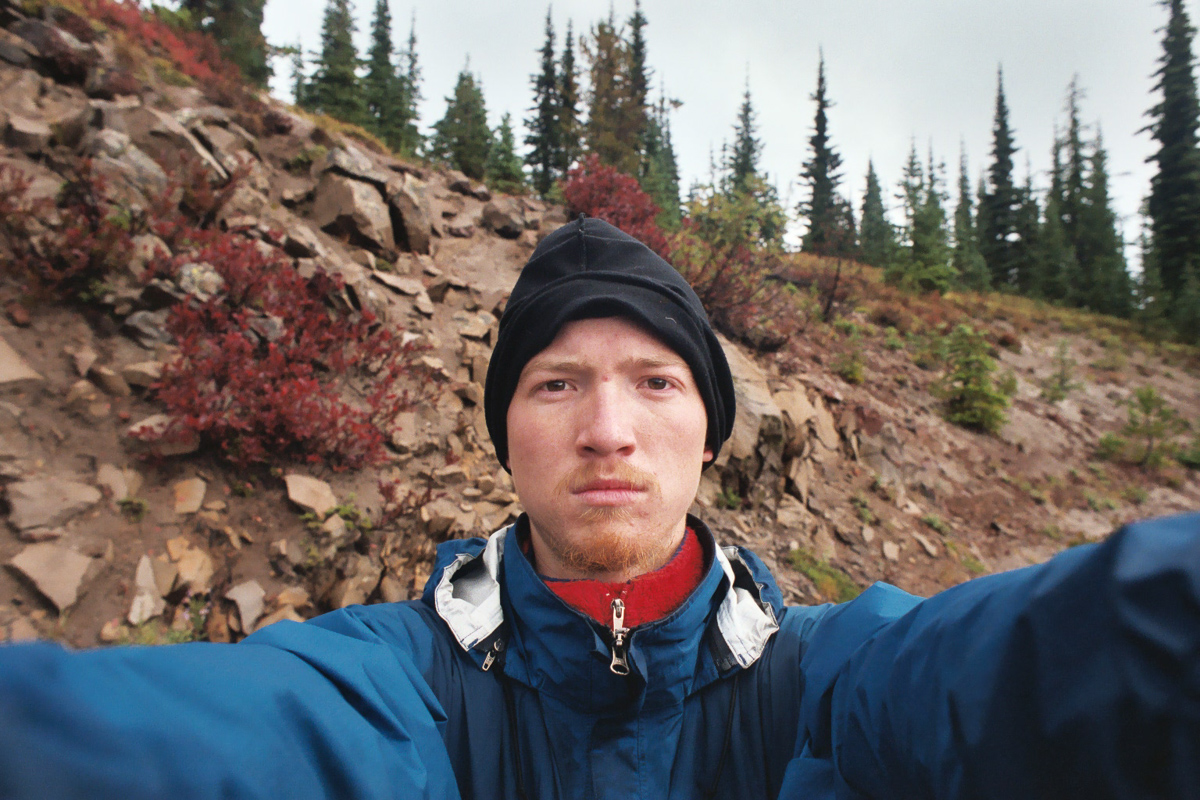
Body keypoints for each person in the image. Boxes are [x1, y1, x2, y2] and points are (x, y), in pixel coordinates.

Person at [1, 216, 1198, 800]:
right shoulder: (402, 677)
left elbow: (1031, 668)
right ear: (507, 435)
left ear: (711, 433)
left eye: (657, 381)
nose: (608, 428)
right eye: (557, 382)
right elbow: (240, 739)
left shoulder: (825, 677)